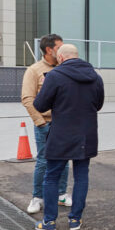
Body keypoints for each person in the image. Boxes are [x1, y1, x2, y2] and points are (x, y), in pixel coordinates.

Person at [32, 44, 104, 230]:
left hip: (61, 134)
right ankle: (75, 220)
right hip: (86, 134)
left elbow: (39, 105)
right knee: (81, 176)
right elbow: (98, 104)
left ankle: (49, 222)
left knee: (52, 176)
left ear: (61, 58)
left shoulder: (55, 76)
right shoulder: (95, 77)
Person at [21, 34, 71, 214]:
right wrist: (40, 122)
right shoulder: (34, 70)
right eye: (60, 47)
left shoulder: (66, 68)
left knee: (64, 160)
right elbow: (27, 98)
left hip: (64, 123)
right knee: (43, 161)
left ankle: (61, 194)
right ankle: (37, 197)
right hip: (46, 123)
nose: (63, 50)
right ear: (49, 50)